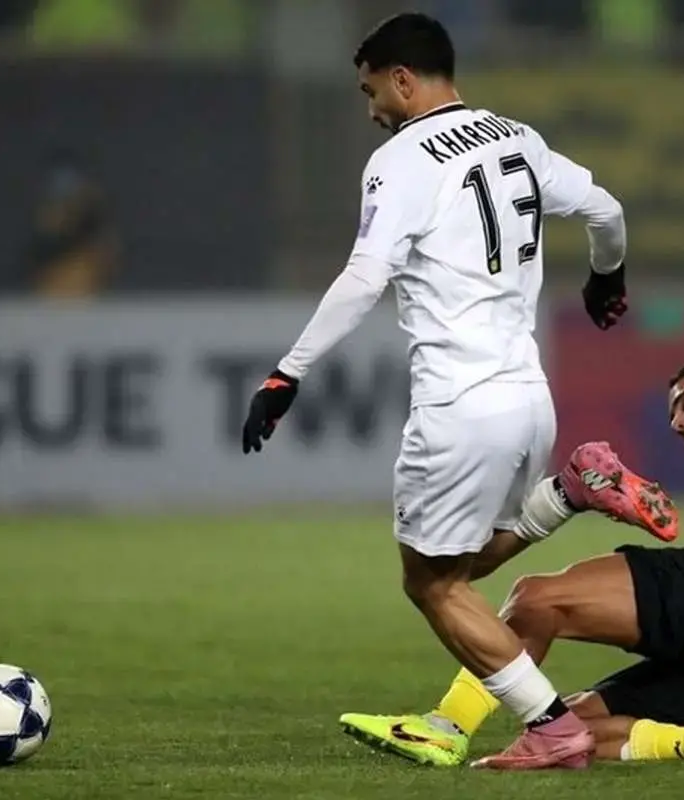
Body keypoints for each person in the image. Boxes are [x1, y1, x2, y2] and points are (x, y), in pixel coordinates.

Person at [239, 13, 647, 771]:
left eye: (371, 92)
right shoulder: (515, 137)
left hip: (460, 405)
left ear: (402, 79)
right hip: (529, 398)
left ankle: (553, 728)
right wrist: (606, 275)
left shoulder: (401, 160)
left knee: (430, 584)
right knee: (459, 568)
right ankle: (571, 491)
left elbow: (366, 274)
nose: (371, 110)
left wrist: (288, 371)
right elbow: (606, 211)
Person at [339, 353, 684, 765]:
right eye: (672, 414)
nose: (677, 422)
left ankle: (446, 726)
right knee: (570, 724)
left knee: (535, 599)